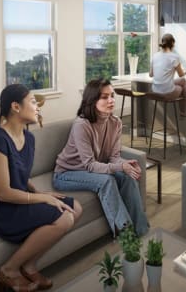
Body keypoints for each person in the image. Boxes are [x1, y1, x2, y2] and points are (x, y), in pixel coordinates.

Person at [0, 84, 82, 292]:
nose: (38, 106)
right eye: (32, 101)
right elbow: (3, 193)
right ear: (16, 107)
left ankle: (29, 265)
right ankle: (8, 269)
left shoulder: (29, 138)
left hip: (20, 196)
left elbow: (20, 175)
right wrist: (43, 200)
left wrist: (40, 193)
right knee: (64, 217)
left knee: (75, 208)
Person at [53, 78, 149, 236]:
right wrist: (119, 166)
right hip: (66, 174)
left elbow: (114, 157)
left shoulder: (115, 123)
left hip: (92, 168)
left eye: (112, 95)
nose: (111, 100)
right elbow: (90, 165)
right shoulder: (82, 125)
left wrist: (125, 164)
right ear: (92, 100)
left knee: (127, 176)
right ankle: (128, 237)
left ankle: (142, 231)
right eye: (104, 97)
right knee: (107, 181)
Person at [149, 33, 186, 116]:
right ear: (172, 43)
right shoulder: (174, 57)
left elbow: (151, 75)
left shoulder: (154, 56)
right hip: (167, 93)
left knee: (182, 81)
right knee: (182, 86)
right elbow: (181, 74)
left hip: (154, 91)